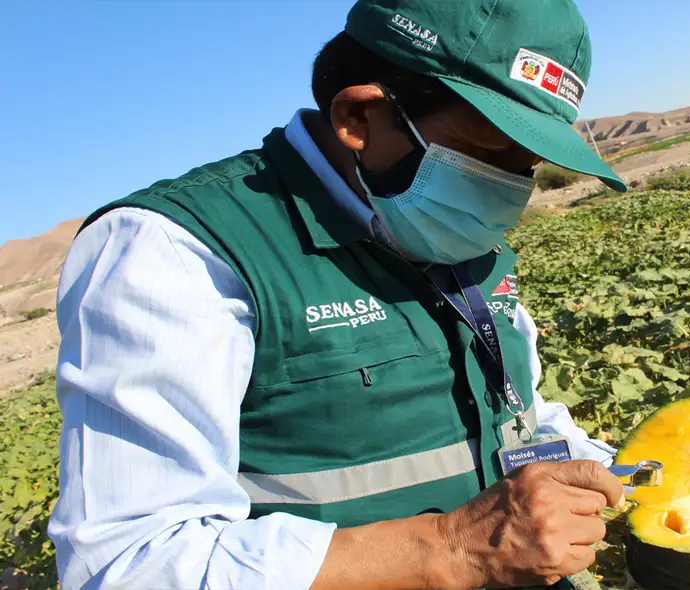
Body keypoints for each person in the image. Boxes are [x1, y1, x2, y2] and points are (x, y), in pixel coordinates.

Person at [48, 0, 630, 588]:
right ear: (360, 117)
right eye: (489, 152)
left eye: (527, 164)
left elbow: (516, 410)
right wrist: (453, 546)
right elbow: (128, 563)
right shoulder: (176, 251)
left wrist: (620, 470)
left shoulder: (461, 234)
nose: (509, 190)